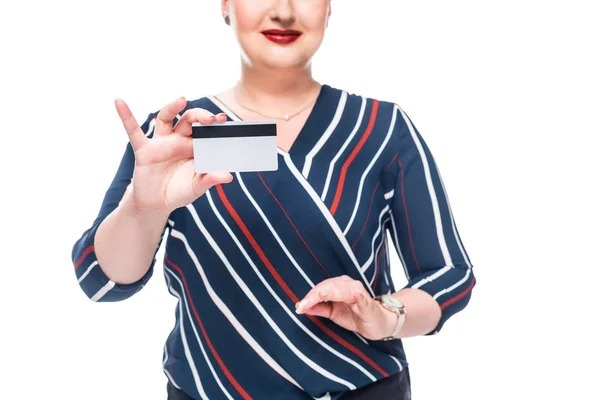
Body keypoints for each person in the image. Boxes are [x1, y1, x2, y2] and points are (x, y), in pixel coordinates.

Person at [71, 1, 476, 399]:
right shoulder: (175, 136)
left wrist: (385, 315)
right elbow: (102, 281)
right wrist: (144, 208)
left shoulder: (381, 129)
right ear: (226, 5)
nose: (284, 10)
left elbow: (449, 275)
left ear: (329, 8)